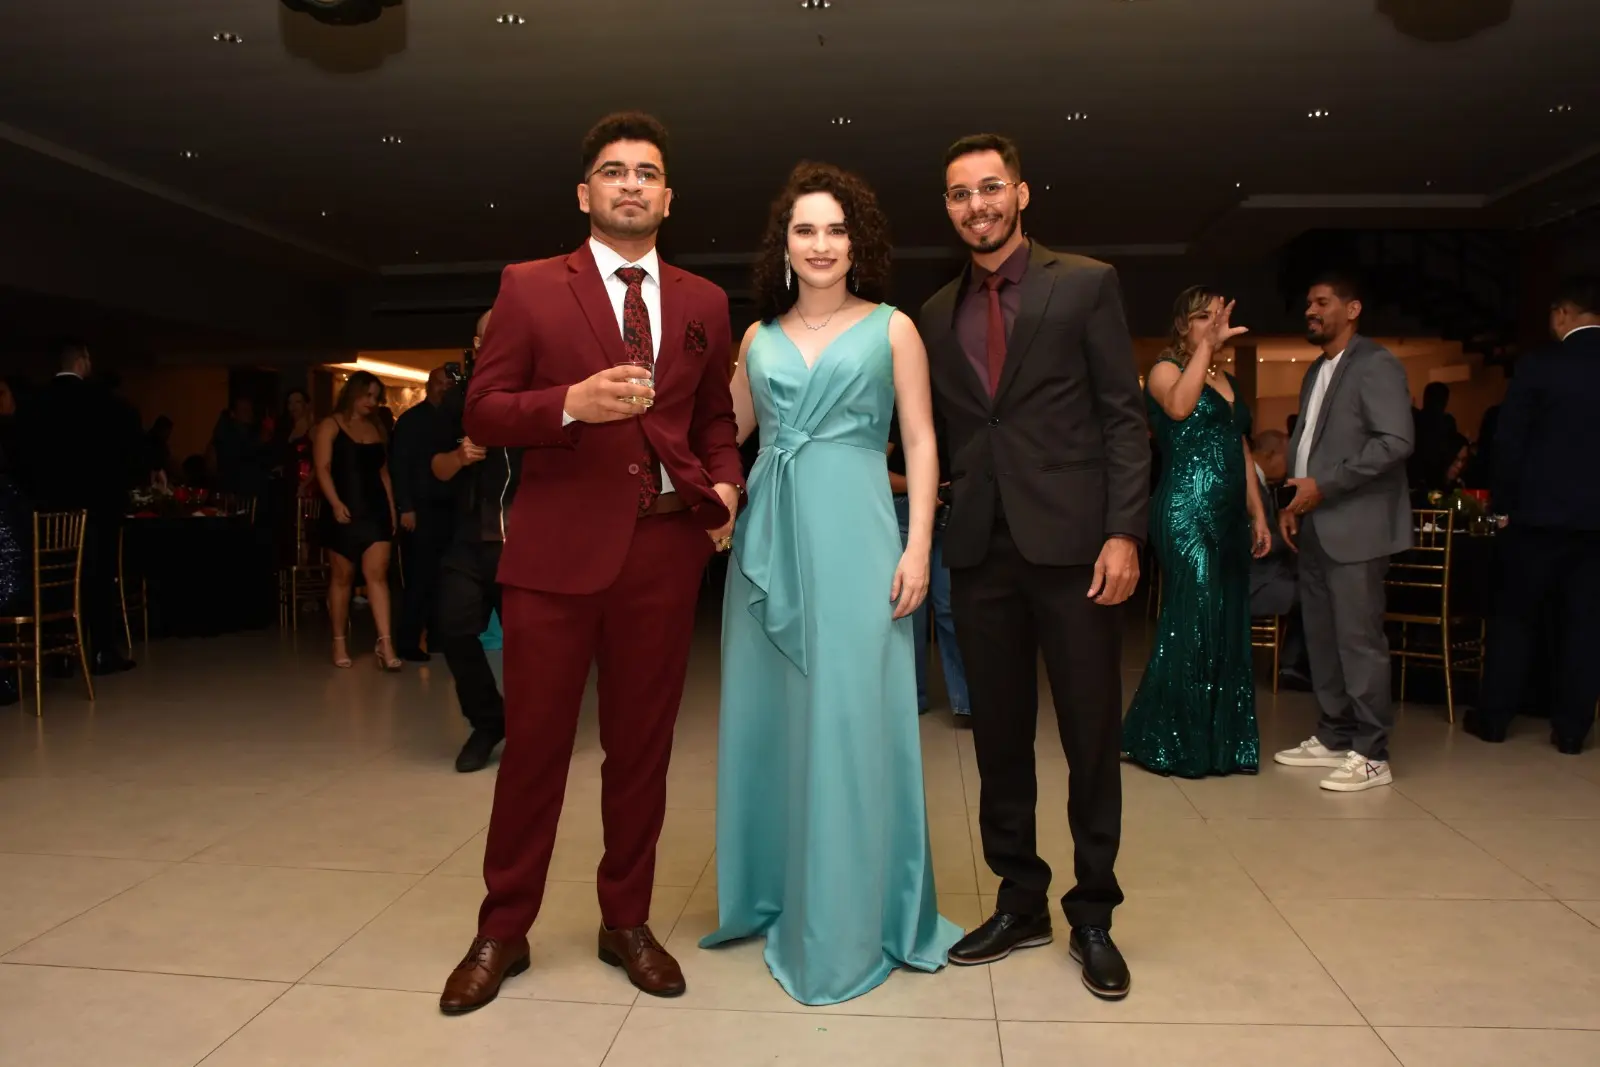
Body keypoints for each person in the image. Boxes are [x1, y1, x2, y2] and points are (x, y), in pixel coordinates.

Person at [440, 112, 743, 1015]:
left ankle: (627, 920)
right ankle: (503, 928)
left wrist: (727, 483)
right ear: (585, 193)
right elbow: (484, 411)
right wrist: (568, 402)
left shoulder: (703, 301)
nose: (631, 184)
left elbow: (714, 422)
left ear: (668, 197)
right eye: (614, 171)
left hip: (664, 549)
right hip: (554, 554)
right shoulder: (530, 286)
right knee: (534, 748)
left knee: (641, 751)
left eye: (647, 172)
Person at [701, 162, 962, 1005]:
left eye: (837, 230)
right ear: (784, 244)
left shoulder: (893, 329)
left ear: (859, 244)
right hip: (769, 546)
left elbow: (921, 442)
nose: (821, 244)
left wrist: (917, 547)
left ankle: (856, 911)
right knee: (774, 721)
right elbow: (724, 433)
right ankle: (776, 891)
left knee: (851, 721)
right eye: (805, 229)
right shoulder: (757, 338)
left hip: (859, 540)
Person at [920, 134, 1147, 1001]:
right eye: (959, 194)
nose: (976, 205)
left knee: (1090, 735)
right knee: (999, 737)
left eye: (990, 187)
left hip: (1078, 548)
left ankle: (1093, 912)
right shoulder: (935, 312)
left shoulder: (1085, 283)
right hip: (980, 551)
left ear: (1020, 193)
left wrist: (1124, 531)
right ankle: (1021, 899)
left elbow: (1122, 416)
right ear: (948, 208)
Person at [1123, 287, 1271, 779]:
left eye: (1217, 316)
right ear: (1182, 326)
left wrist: (1258, 513)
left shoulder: (1227, 379)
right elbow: (1180, 408)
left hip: (1229, 517)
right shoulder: (1165, 370)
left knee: (1228, 620)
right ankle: (1172, 742)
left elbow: (1241, 447)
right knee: (1194, 619)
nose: (1212, 323)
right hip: (1186, 510)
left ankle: (1223, 745)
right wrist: (1206, 347)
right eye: (1201, 316)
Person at [1274, 274, 1413, 792]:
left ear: (1353, 309)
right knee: (1323, 638)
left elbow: (1396, 440)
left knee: (1359, 641)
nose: (1311, 311)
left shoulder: (1375, 363)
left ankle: (1373, 753)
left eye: (1322, 302)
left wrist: (1324, 485)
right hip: (1314, 522)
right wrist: (1293, 502)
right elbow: (1308, 441)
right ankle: (1335, 735)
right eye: (1308, 303)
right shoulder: (1317, 369)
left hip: (1358, 527)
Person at [1468, 275, 1600, 754]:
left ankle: (1495, 718)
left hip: (1536, 516)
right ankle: (1572, 730)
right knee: (1586, 626)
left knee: (1515, 620)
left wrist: (1502, 505)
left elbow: (1510, 441)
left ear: (1563, 313)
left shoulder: (1541, 364)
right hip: (1596, 525)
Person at [14, 341, 137, 674]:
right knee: (97, 580)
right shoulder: (101, 402)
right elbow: (120, 455)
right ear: (82, 361)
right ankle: (100, 651)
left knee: (54, 580)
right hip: (95, 510)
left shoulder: (33, 404)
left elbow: (21, 462)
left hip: (47, 515)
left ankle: (58, 653)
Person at [431, 311, 518, 773]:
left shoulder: (538, 393)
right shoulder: (457, 400)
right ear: (477, 343)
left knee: (531, 646)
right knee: (454, 628)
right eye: (490, 336)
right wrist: (459, 457)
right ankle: (488, 721)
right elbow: (436, 468)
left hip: (523, 539)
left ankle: (533, 729)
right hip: (468, 540)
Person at [312, 370, 401, 671]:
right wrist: (335, 503)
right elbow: (322, 468)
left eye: (376, 397)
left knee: (378, 574)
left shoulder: (376, 428)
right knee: (342, 578)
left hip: (375, 510)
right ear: (354, 392)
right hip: (344, 509)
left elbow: (383, 473)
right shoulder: (331, 425)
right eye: (368, 395)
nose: (372, 402)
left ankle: (385, 643)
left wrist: (392, 511)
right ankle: (338, 641)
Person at [888, 413, 971, 721]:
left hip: (951, 512)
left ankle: (967, 702)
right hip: (904, 509)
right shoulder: (897, 410)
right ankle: (911, 699)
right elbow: (874, 470)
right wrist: (924, 487)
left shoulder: (955, 405)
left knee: (951, 607)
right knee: (909, 609)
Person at [391, 365, 456, 661]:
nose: (444, 388)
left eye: (449, 384)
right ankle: (407, 642)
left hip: (450, 509)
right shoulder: (410, 421)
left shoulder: (456, 420)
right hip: (419, 509)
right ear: (429, 385)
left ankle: (438, 638)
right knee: (418, 578)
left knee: (445, 577)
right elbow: (399, 466)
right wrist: (406, 507)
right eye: (440, 383)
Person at [1250, 429, 1312, 689]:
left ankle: (1292, 664)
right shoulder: (1247, 484)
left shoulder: (1262, 482)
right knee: (1317, 595)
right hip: (1254, 582)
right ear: (1271, 454)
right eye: (1287, 458)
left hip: (1267, 574)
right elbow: (1251, 541)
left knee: (1313, 586)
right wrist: (1288, 544)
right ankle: (1292, 666)